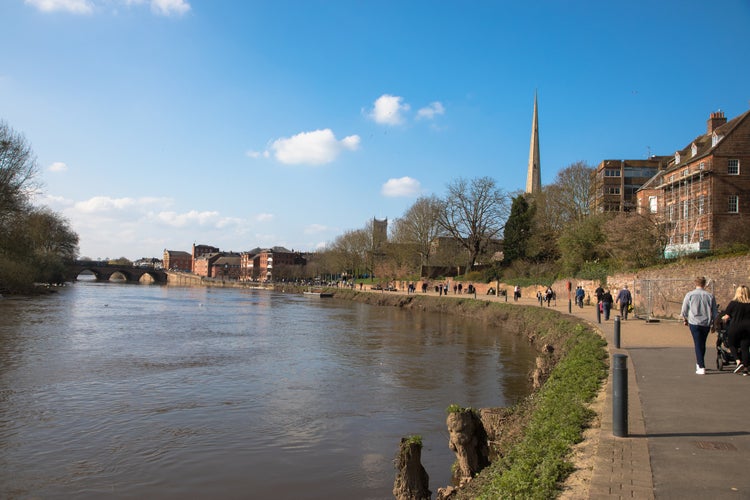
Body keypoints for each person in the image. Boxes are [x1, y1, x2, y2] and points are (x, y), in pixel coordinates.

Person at [680, 276, 718, 375]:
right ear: (704, 284)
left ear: (695, 283)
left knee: (697, 343)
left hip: (694, 322)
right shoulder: (710, 296)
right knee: (702, 343)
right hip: (706, 322)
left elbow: (684, 309)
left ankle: (701, 366)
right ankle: (699, 362)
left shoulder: (690, 295)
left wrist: (684, 319)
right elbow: (715, 312)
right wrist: (714, 324)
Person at [722, 285, 750, 375]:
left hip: (735, 327)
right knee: (745, 347)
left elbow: (726, 316)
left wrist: (723, 318)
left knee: (731, 344)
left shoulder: (733, 303)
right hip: (748, 328)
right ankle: (746, 368)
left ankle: (738, 361)